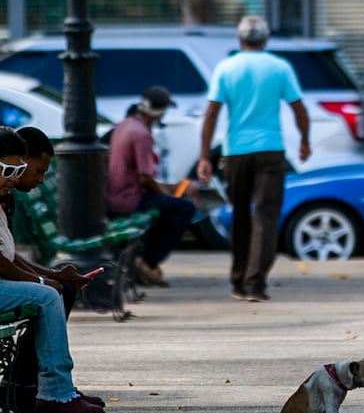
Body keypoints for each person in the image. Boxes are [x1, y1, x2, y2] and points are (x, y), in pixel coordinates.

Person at [196, 16, 310, 302]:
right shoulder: (280, 67)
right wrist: (305, 140)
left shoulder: (226, 67)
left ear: (239, 39)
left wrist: (203, 156)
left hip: (236, 153)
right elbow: (299, 108)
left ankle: (238, 280)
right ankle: (256, 283)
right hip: (270, 150)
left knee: (241, 215)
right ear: (265, 39)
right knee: (266, 216)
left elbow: (211, 113)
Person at [0, 126, 105, 413]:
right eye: (7, 169)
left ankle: (39, 389)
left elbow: (7, 255)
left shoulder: (3, 197)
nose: (12, 177)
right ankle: (55, 392)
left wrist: (52, 275)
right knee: (48, 296)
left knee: (54, 291)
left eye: (16, 169)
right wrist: (46, 281)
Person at [107, 86, 198, 287]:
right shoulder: (141, 134)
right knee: (185, 208)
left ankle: (144, 258)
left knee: (171, 204)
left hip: (117, 195)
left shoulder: (125, 125)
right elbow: (145, 179)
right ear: (158, 112)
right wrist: (168, 193)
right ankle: (148, 260)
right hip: (128, 199)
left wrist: (170, 190)